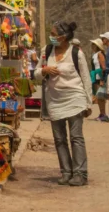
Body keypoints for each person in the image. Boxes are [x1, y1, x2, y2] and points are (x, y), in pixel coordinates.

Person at [35, 21, 93, 186]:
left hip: (75, 98)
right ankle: (66, 172)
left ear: (63, 37)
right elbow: (36, 73)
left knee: (76, 137)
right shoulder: (46, 51)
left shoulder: (76, 53)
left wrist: (88, 103)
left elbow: (86, 78)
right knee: (59, 138)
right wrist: (44, 70)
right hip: (54, 100)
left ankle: (80, 173)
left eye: (54, 34)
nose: (51, 37)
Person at [89, 39, 109, 120]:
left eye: (93, 44)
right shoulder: (94, 54)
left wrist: (102, 79)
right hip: (96, 76)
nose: (92, 46)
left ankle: (103, 114)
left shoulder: (100, 54)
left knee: (101, 96)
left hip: (100, 76)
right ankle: (101, 113)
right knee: (99, 96)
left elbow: (103, 67)